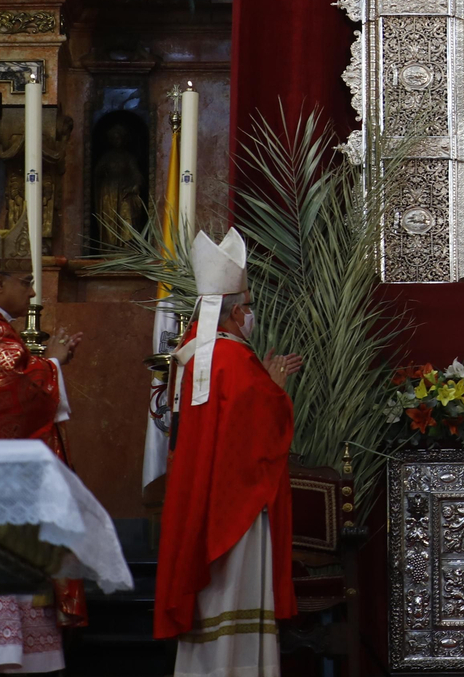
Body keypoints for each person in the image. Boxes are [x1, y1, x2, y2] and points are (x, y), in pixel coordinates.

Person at [156, 229, 303, 677]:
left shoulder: (192, 355)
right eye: (251, 306)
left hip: (201, 493)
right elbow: (257, 431)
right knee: (236, 588)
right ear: (237, 312)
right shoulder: (235, 359)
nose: (252, 315)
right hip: (235, 505)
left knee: (210, 599)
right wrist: (276, 391)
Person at [0, 212, 87, 671]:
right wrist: (55, 363)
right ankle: (8, 653)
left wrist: (46, 362)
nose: (31, 291)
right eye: (25, 281)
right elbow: (14, 385)